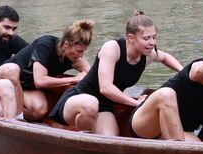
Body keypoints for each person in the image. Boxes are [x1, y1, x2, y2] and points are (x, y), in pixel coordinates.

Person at [49, 11, 183, 136]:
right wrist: (136, 103)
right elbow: (106, 88)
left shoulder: (147, 55)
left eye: (154, 37)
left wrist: (183, 72)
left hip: (105, 106)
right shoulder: (112, 48)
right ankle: (84, 144)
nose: (152, 43)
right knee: (91, 103)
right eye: (146, 38)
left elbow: (165, 57)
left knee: (111, 140)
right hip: (78, 100)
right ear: (131, 38)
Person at [0, 19, 93, 121]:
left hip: (26, 87)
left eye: (83, 52)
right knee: (13, 69)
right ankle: (18, 119)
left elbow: (93, 76)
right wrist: (73, 80)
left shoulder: (74, 57)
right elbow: (39, 81)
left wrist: (86, 70)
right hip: (1, 78)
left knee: (39, 111)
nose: (81, 56)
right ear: (66, 44)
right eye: (79, 51)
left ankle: (4, 108)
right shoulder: (45, 45)